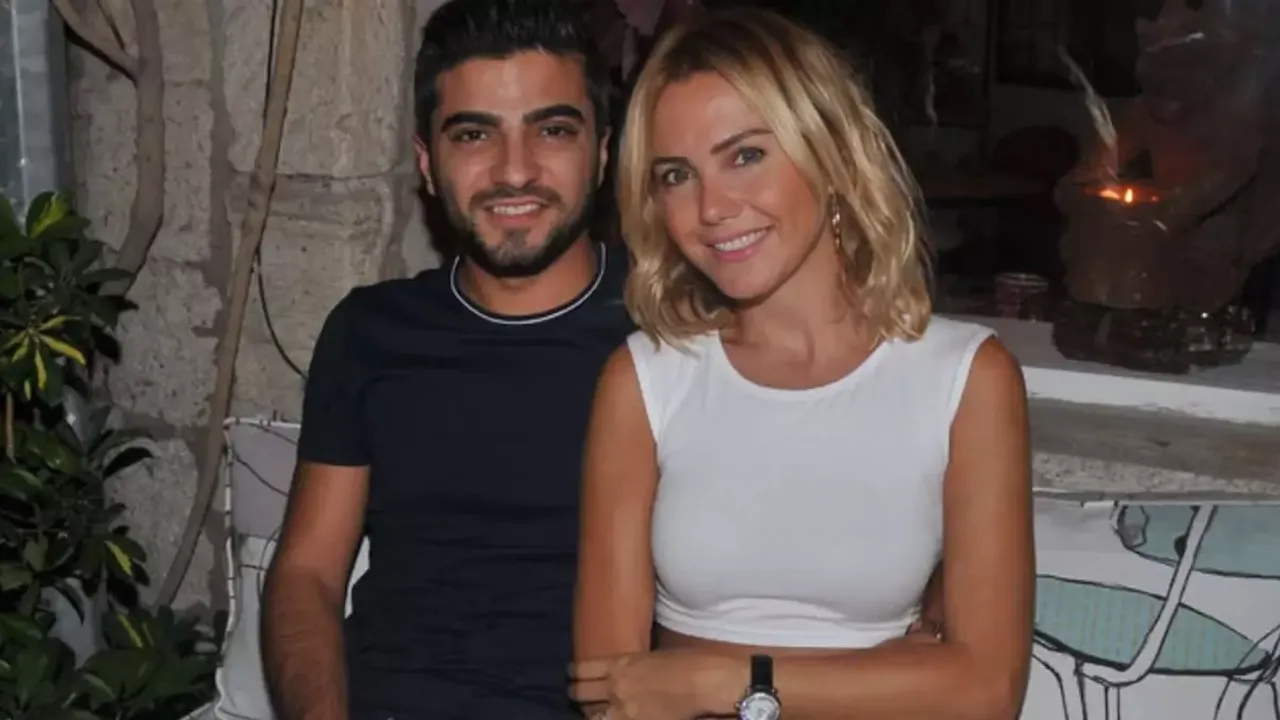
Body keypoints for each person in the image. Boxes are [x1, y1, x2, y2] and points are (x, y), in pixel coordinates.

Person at [570, 10, 1034, 720]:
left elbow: (986, 691)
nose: (712, 207)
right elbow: (613, 694)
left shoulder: (966, 379)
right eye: (676, 175)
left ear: (830, 152)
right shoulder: (646, 381)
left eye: (746, 156)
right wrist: (894, 676)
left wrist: (720, 681)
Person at [259, 1, 630, 718]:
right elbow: (307, 574)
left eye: (553, 130)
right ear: (427, 163)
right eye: (474, 134)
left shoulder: (672, 333)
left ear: (604, 152)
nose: (515, 171)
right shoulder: (370, 333)